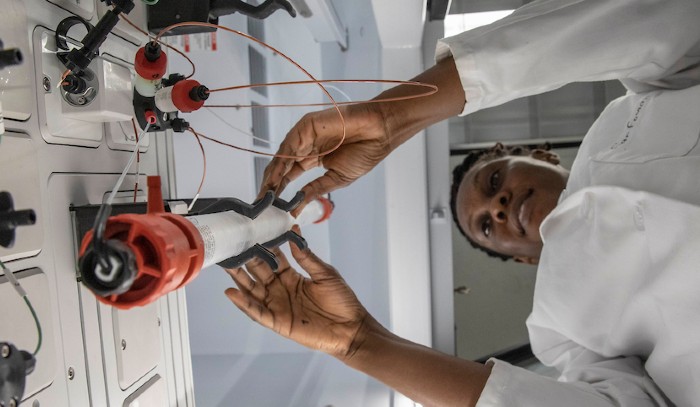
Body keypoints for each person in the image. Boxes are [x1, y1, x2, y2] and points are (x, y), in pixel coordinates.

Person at [224, 0, 700, 406]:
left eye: (495, 181)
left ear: (537, 154)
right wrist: (358, 343)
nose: (498, 208)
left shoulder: (626, 120)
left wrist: (394, 114)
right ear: (521, 257)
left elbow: (665, 18)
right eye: (488, 226)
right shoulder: (562, 330)